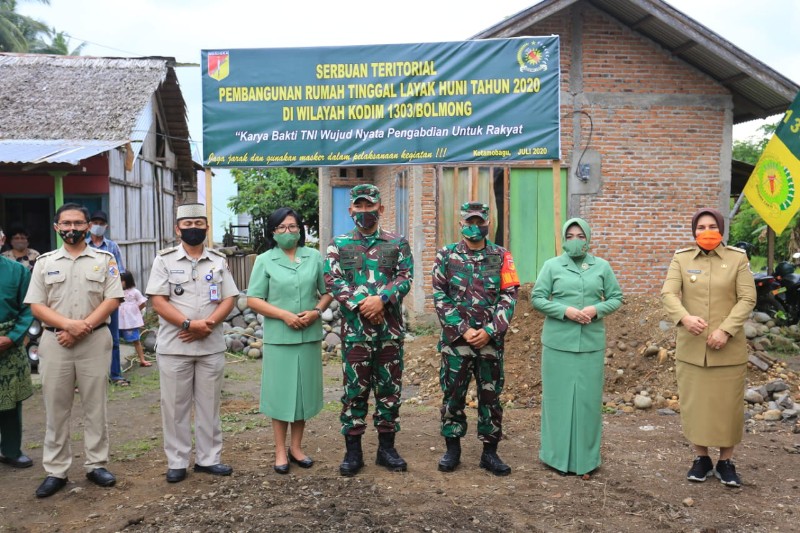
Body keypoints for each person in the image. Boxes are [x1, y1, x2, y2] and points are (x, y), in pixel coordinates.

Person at [24, 203, 123, 497]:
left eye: (78, 223)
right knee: (56, 408)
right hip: (55, 342)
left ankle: (96, 464)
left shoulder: (105, 259)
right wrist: (69, 326)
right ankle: (56, 470)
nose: (72, 228)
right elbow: (36, 305)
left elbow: (113, 299)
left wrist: (84, 327)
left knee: (95, 406)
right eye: (66, 224)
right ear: (57, 227)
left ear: (88, 226)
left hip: (94, 340)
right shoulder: (44, 262)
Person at [661, 208, 756, 487]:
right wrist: (684, 318)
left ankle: (726, 462)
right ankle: (701, 459)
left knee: (728, 409)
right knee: (696, 407)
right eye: (701, 227)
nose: (706, 232)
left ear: (721, 229)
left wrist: (726, 330)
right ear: (694, 231)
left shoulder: (737, 258)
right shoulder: (681, 258)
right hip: (692, 349)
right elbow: (668, 293)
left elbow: (748, 298)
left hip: (728, 349)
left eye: (712, 226)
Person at [145, 203, 238, 484]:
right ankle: (177, 462)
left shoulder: (218, 261)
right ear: (178, 229)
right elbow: (158, 300)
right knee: (175, 407)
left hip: (210, 346)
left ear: (207, 227)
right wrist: (188, 325)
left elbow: (229, 298)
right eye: (187, 224)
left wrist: (206, 325)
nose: (193, 228)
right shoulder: (164, 260)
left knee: (210, 405)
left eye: (199, 223)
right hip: (176, 346)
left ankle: (209, 459)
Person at [324, 184, 413, 476]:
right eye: (359, 206)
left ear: (380, 209)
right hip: (356, 333)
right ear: (350, 210)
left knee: (389, 391)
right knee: (355, 392)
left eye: (370, 206)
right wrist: (364, 304)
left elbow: (405, 277)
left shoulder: (397, 243)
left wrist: (382, 300)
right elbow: (333, 281)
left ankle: (387, 449)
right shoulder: (338, 245)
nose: (364, 211)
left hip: (389, 333)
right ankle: (353, 452)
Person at [431, 202, 520, 476]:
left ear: (488, 223)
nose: (474, 226)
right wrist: (462, 329)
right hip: (457, 344)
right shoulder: (446, 255)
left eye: (479, 221)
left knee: (490, 398)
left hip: (489, 343)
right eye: (469, 221)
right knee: (453, 396)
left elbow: (509, 296)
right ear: (461, 224)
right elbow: (439, 295)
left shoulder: (501, 256)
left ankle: (490, 453)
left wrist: (491, 330)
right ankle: (452, 450)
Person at [532, 218, 623, 478]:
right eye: (570, 236)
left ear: (588, 238)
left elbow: (616, 297)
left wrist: (596, 309)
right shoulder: (552, 266)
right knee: (557, 402)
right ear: (563, 239)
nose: (575, 240)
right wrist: (565, 311)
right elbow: (537, 298)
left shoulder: (601, 266)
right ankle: (555, 457)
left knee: (587, 403)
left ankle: (586, 460)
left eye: (580, 236)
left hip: (590, 345)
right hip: (558, 344)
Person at [246, 207, 333, 474]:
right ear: (273, 232)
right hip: (279, 338)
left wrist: (316, 311)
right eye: (282, 227)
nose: (288, 231)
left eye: (292, 226)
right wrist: (283, 315)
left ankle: (296, 447)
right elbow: (254, 299)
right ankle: (280, 451)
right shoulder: (265, 260)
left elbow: (327, 292)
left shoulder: (314, 257)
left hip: (308, 336)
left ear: (300, 230)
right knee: (280, 395)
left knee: (303, 395)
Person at [0, 225, 35, 470]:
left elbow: (29, 307)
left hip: (9, 346)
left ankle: (11, 450)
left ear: (2, 240)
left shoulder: (18, 271)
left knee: (11, 401)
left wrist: (12, 338)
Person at [86, 210, 128, 387]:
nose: (98, 226)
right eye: (95, 222)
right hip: (88, 299)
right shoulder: (83, 246)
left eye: (101, 223)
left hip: (109, 299)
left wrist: (116, 297)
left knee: (113, 338)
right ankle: (87, 377)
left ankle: (116, 375)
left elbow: (120, 274)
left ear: (106, 226)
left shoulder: (112, 247)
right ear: (89, 225)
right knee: (87, 338)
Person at [118, 271, 151, 368]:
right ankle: (115, 363)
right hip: (118, 321)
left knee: (136, 340)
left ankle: (142, 360)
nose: (120, 283)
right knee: (115, 341)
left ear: (128, 281)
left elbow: (143, 303)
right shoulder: (116, 291)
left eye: (122, 281)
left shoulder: (135, 292)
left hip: (130, 322)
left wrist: (134, 312)